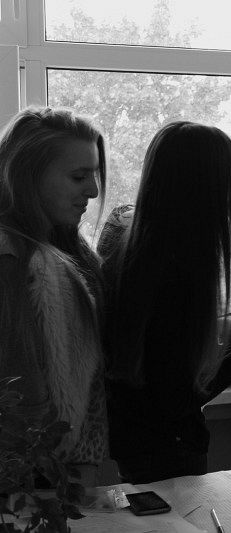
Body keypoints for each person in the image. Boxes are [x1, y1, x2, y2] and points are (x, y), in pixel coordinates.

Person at [101, 121, 231, 484]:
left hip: (131, 439)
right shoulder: (176, 274)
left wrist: (211, 211)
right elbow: (180, 398)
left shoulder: (126, 246)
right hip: (169, 448)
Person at [0, 106, 108, 486]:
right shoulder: (11, 260)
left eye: (94, 175)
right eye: (79, 176)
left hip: (60, 480)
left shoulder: (60, 250)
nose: (93, 191)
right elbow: (18, 402)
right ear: (27, 176)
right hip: (32, 489)